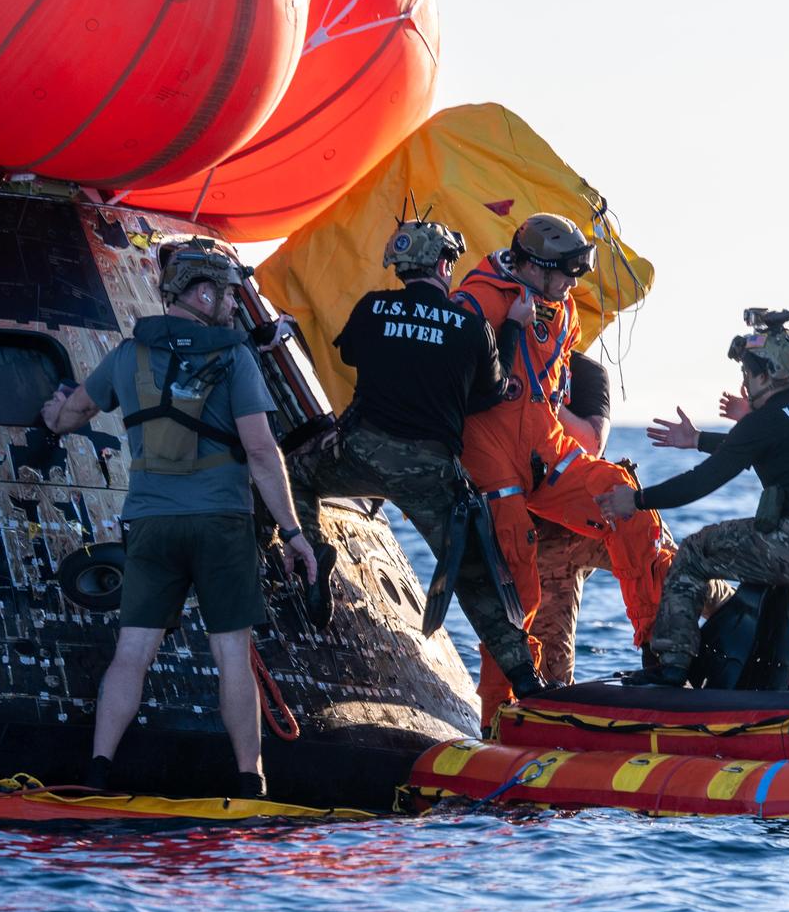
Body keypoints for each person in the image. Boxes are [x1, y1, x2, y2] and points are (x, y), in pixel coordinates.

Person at [41, 236, 318, 800]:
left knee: (132, 653)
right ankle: (249, 782)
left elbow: (74, 412)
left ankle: (97, 774)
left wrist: (53, 417)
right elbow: (263, 453)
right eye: (229, 295)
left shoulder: (127, 354)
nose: (236, 307)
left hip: (150, 526)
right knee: (231, 654)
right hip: (220, 526)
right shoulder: (235, 358)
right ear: (201, 292)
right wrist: (293, 533)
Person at [285, 218, 540, 711]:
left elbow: (352, 354)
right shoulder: (469, 326)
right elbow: (491, 394)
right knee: (474, 578)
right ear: (445, 265)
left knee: (287, 475)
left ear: (402, 265)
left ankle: (313, 555)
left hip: (359, 453)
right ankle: (526, 682)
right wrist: (513, 328)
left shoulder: (371, 307)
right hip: (431, 471)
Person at [454, 214, 674, 711]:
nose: (574, 282)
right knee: (519, 588)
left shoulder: (564, 309)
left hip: (546, 454)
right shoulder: (477, 301)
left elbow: (552, 398)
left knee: (629, 506)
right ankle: (498, 712)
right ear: (534, 266)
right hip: (492, 462)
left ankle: (659, 655)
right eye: (568, 272)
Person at [600, 311, 789, 689]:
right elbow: (777, 447)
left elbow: (703, 482)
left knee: (695, 552)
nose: (745, 387)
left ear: (766, 375)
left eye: (748, 376)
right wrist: (698, 439)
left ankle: (672, 670)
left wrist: (637, 499)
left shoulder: (766, 418)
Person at [526, 351, 616, 686]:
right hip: (541, 539)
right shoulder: (501, 362)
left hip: (596, 521)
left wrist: (545, 397)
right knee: (552, 671)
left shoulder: (588, 372)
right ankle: (553, 718)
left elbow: (591, 442)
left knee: (671, 571)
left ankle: (745, 620)